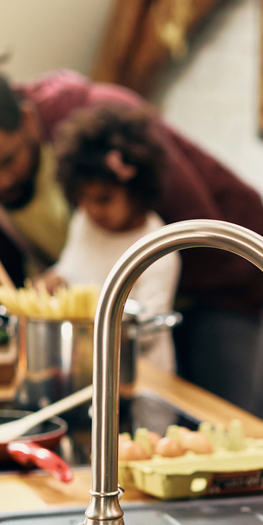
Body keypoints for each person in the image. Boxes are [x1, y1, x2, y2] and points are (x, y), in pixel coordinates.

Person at [0, 49, 263, 416]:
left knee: (219, 417)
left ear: (28, 122)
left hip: (226, 274)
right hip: (133, 307)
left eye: (7, 160)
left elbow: (198, 230)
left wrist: (141, 314)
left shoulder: (101, 124)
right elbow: (0, 267)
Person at [50, 105, 180, 373]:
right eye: (83, 199)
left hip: (140, 375)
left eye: (104, 199)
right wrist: (53, 280)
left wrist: (90, 323)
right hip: (87, 366)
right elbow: (70, 269)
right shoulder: (83, 222)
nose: (93, 209)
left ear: (136, 189)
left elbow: (147, 332)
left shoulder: (158, 249)